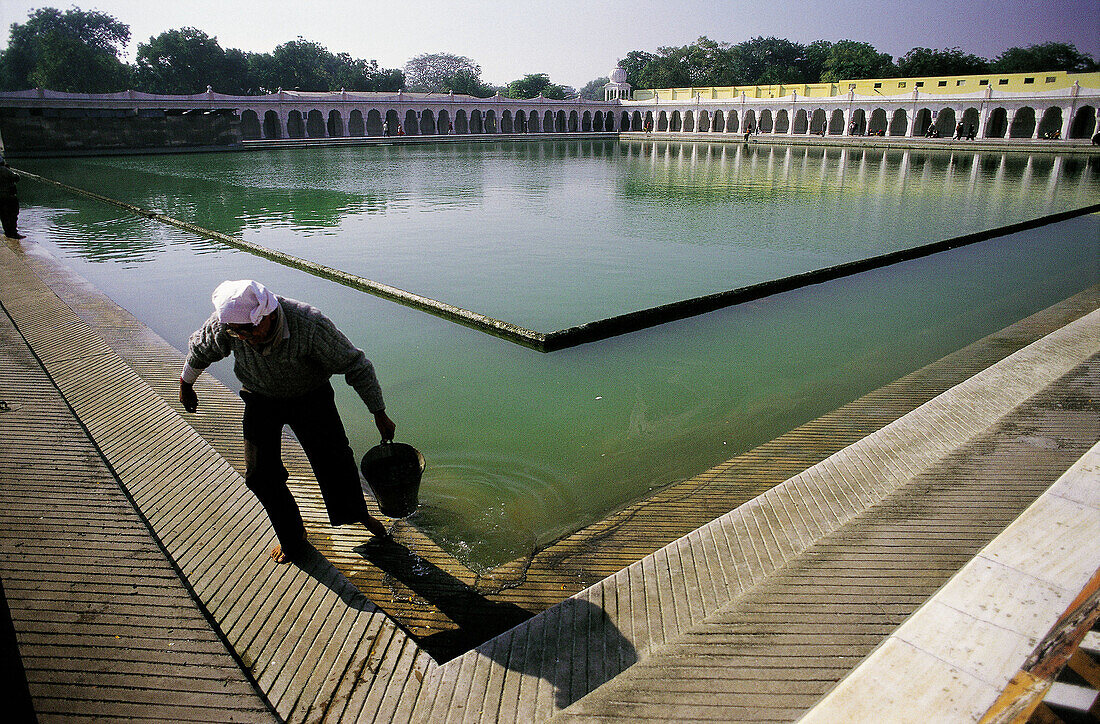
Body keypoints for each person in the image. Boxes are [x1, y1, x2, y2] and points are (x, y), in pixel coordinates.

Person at [180, 280, 395, 563]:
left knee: (335, 461)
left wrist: (378, 412)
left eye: (253, 331)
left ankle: (358, 515)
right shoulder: (229, 325)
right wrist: (186, 383)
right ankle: (292, 536)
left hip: (310, 396)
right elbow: (201, 351)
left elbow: (356, 365)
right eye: (240, 334)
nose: (248, 339)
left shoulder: (308, 324)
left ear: (267, 315)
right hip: (260, 397)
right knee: (259, 475)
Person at [0, 158, 25, 240]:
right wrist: (8, 170)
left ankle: (7, 232)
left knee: (4, 216)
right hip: (9, 196)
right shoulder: (4, 170)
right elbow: (16, 178)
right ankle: (13, 233)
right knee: (13, 214)